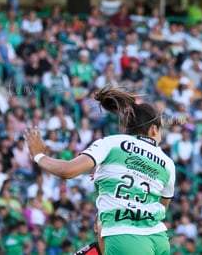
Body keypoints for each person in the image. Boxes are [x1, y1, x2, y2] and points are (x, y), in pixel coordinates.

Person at [24, 86, 175, 255]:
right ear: (154, 129)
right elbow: (161, 206)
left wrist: (38, 156)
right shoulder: (167, 163)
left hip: (125, 238)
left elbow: (68, 170)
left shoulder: (112, 143)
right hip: (159, 238)